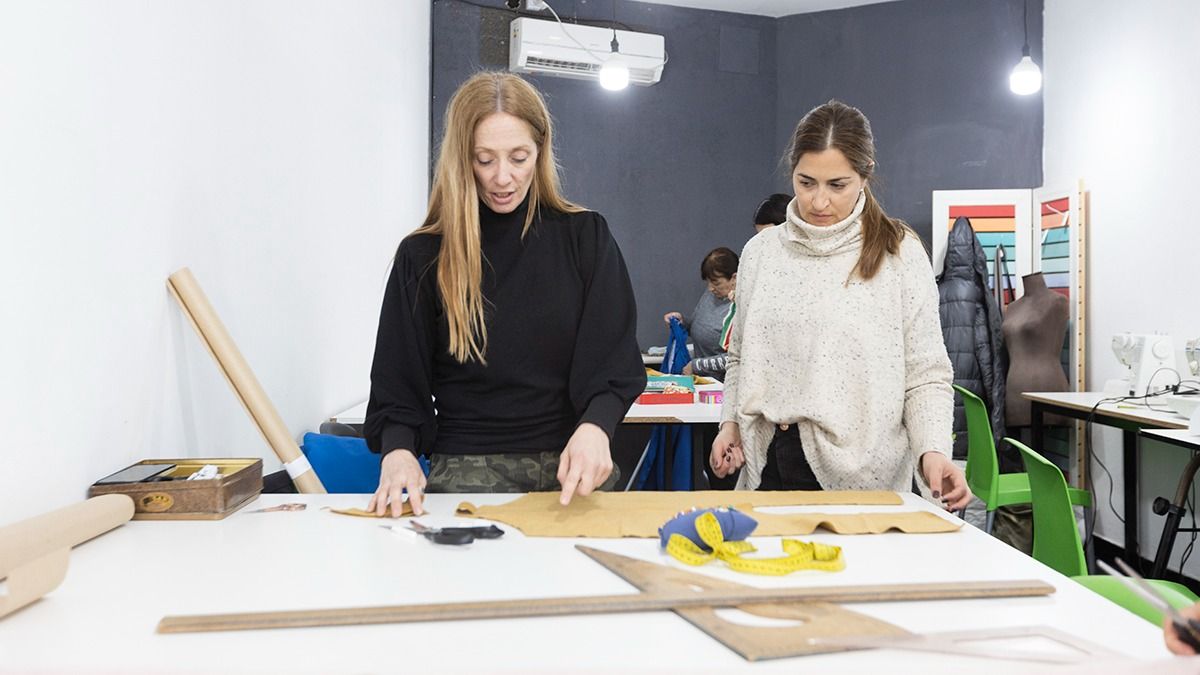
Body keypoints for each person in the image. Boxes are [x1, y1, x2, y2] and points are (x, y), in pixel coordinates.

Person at [364, 72, 645, 517]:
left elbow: (614, 360)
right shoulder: (423, 255)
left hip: (572, 466)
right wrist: (397, 451)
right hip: (464, 469)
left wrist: (597, 426)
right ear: (461, 159)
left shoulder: (584, 236)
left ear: (540, 150)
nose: (502, 178)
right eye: (484, 159)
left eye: (518, 157)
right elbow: (397, 380)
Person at [710, 100, 970, 510]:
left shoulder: (898, 252)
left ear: (865, 176)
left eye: (837, 185)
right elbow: (741, 355)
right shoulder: (761, 253)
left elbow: (925, 375)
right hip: (766, 465)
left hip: (863, 475)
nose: (818, 201)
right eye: (806, 181)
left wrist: (933, 451)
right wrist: (730, 425)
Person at [662, 247, 737, 380]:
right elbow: (700, 327)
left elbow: (736, 357)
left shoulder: (740, 307)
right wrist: (682, 322)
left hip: (723, 386)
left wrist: (697, 365)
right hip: (702, 380)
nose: (710, 288)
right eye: (708, 282)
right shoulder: (711, 295)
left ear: (734, 278)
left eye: (716, 283)